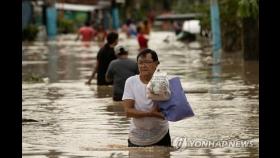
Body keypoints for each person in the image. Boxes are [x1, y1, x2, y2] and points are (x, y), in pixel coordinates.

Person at [122, 48, 171, 147]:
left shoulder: (161, 80)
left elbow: (170, 111)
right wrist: (150, 113)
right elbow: (128, 111)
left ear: (156, 64)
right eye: (140, 63)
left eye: (147, 62)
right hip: (137, 138)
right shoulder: (131, 82)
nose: (143, 66)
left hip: (161, 136)